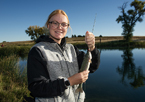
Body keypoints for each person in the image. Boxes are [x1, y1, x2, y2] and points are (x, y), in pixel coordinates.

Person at [27, 9, 100, 102]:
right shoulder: (37, 51)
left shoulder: (72, 49)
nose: (59, 27)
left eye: (64, 24)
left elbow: (93, 67)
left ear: (67, 27)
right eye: (55, 23)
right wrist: (68, 82)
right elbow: (36, 88)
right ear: (48, 25)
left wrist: (92, 48)